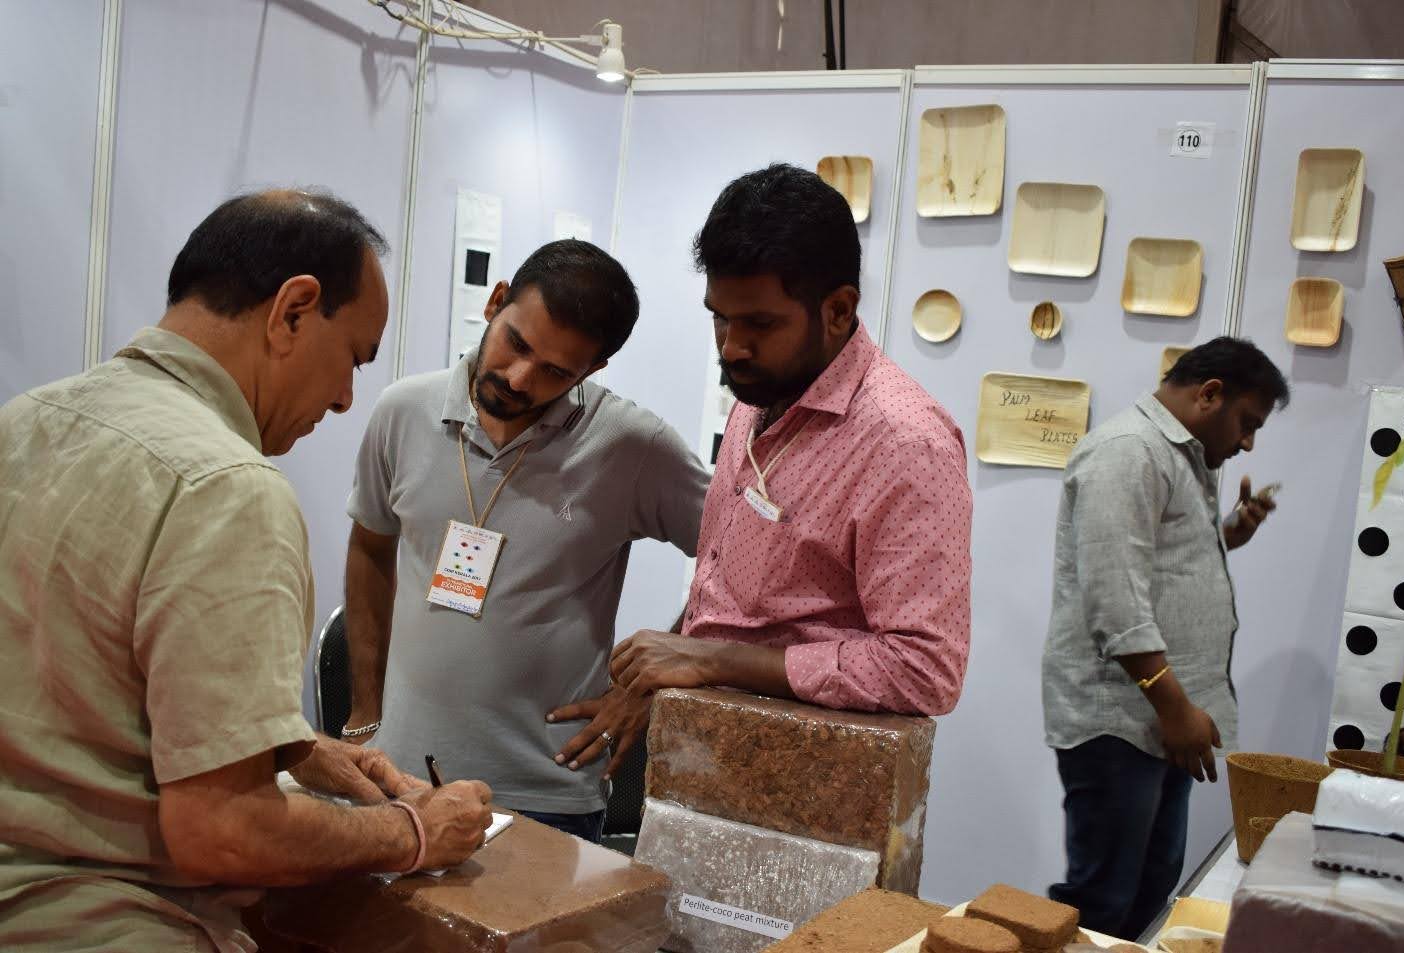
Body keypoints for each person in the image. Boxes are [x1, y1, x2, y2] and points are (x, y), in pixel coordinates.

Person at [0, 191, 492, 952]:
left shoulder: (27, 418)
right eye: (353, 359)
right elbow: (222, 833)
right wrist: (411, 832)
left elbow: (74, 679)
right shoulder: (229, 488)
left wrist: (286, 743)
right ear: (294, 310)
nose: (342, 398)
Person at [559, 162, 972, 737]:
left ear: (838, 310)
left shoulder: (905, 443)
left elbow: (925, 670)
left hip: (811, 792)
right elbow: (727, 587)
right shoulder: (760, 395)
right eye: (719, 319)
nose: (732, 348)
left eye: (758, 324)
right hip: (707, 758)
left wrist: (711, 662)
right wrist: (669, 666)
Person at [342, 239, 708, 843]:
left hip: (546, 798)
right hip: (399, 781)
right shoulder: (402, 412)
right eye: (517, 343)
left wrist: (654, 679)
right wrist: (363, 714)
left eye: (556, 372)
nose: (519, 378)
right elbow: (370, 546)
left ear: (593, 370)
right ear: (496, 301)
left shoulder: (632, 447)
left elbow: (745, 565)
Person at [1041, 337, 1289, 939]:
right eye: (1248, 423)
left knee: (1149, 891)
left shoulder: (1178, 457)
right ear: (1210, 394)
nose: (1250, 442)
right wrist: (1174, 707)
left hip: (1160, 717)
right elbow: (1114, 599)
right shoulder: (1129, 452)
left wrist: (1227, 533)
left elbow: (1158, 564)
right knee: (1101, 901)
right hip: (1123, 719)